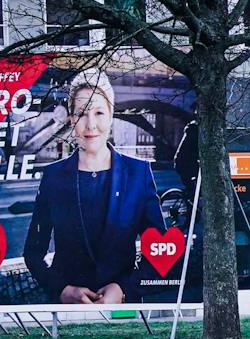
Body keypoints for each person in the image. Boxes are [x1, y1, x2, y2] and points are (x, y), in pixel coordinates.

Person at [24, 70, 168, 304]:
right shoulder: (53, 177)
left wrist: (124, 290)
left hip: (123, 314)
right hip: (66, 313)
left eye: (99, 112)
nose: (91, 124)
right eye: (81, 114)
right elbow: (32, 253)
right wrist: (62, 290)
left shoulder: (138, 174)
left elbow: (161, 250)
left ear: (111, 115)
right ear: (72, 120)